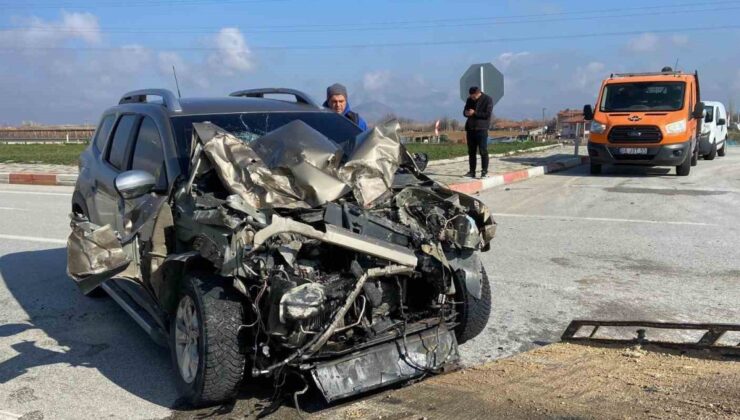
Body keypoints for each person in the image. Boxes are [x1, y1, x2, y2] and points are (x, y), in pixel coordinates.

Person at [463, 86, 493, 178]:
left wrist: (474, 113)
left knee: (483, 151)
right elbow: (464, 111)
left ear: (478, 93)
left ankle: (484, 171)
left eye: (474, 96)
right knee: (471, 152)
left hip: (482, 129)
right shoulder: (469, 100)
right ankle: (472, 172)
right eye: (471, 96)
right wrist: (466, 113)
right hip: (470, 129)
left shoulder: (488, 99)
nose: (472, 98)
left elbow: (487, 114)